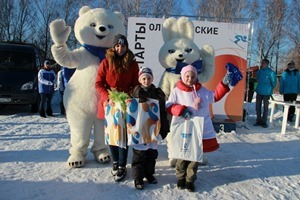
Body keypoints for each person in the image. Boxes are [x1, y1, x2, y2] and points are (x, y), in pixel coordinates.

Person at [166, 65, 230, 192]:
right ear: (183, 76)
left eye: (193, 76)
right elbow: (168, 105)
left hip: (197, 129)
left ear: (196, 77)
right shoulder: (177, 91)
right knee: (182, 154)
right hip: (183, 129)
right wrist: (181, 110)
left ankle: (190, 180)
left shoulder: (202, 91)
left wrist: (224, 83)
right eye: (187, 76)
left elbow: (215, 95)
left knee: (194, 156)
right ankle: (180, 177)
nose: (190, 79)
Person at [95, 34, 139, 182]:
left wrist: (130, 96)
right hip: (110, 104)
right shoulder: (106, 62)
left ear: (127, 47)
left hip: (125, 104)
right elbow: (99, 83)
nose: (120, 48)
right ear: (114, 47)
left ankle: (122, 165)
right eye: (118, 45)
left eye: (123, 46)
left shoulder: (132, 63)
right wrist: (107, 98)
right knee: (112, 135)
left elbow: (135, 84)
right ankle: (115, 161)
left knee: (124, 137)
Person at [130, 67, 169, 190]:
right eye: (144, 78)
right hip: (140, 130)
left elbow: (162, 111)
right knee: (139, 155)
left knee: (152, 154)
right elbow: (131, 111)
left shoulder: (157, 92)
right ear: (140, 79)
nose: (146, 81)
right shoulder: (135, 92)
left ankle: (149, 174)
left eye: (148, 78)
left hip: (153, 129)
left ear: (152, 79)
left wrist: (164, 127)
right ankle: (138, 178)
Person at [254, 59, 277, 128]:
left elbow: (274, 82)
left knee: (265, 107)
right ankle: (258, 120)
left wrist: (270, 88)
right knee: (258, 106)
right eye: (261, 63)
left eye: (263, 63)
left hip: (267, 92)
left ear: (267, 64)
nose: (262, 64)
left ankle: (264, 121)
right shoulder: (259, 72)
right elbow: (256, 79)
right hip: (259, 91)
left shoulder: (271, 72)